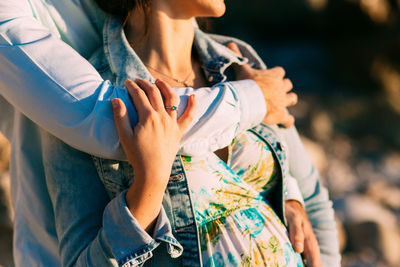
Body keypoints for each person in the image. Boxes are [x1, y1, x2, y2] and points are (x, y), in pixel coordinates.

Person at [0, 0, 340, 266]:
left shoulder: (237, 64)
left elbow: (314, 202)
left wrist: (287, 197)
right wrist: (147, 190)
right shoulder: (76, 103)